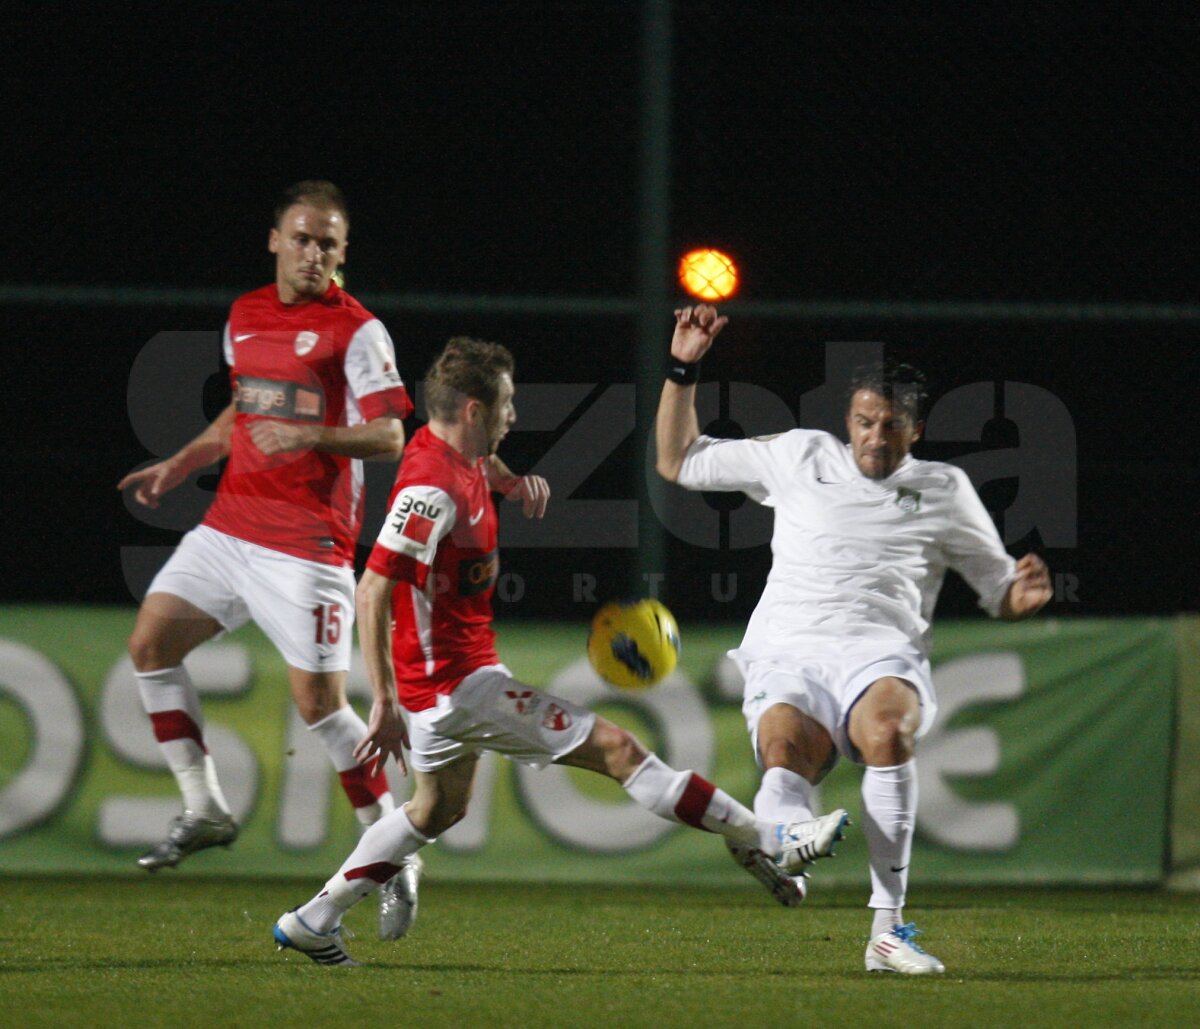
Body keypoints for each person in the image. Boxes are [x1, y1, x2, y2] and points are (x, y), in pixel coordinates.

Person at [271, 336, 849, 966]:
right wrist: (382, 700)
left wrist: (511, 483)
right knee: (621, 752)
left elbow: (474, 471)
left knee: (436, 810)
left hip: (448, 682)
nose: (514, 415)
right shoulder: (430, 490)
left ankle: (312, 919)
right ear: (473, 410)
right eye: (507, 403)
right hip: (455, 686)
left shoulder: (450, 451)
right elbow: (373, 589)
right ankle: (774, 836)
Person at [655, 304, 1052, 976]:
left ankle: (886, 931)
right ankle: (779, 838)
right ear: (848, 421)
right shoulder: (800, 455)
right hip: (788, 646)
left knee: (891, 731)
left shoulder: (943, 488)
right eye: (865, 421)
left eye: (890, 424)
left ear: (915, 428)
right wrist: (682, 365)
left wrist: (1023, 593)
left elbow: (999, 591)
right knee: (784, 751)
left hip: (881, 652)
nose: (874, 436)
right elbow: (677, 460)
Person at [117, 180, 422, 939]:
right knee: (150, 646)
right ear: (275, 239)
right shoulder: (244, 315)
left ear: (341, 254)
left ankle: (393, 853)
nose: (313, 252)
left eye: (328, 243)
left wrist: (314, 437)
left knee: (319, 706)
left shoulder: (358, 332)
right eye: (302, 237)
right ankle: (207, 806)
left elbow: (389, 436)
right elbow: (243, 409)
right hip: (228, 529)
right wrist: (180, 463)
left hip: (308, 545)